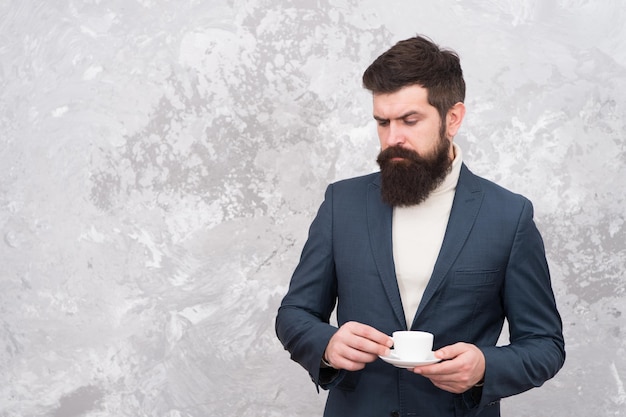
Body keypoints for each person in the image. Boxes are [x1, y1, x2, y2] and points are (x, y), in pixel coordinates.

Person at [275, 35, 565, 417]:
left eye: (410, 121)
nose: (393, 138)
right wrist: (327, 344)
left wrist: (484, 367)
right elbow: (294, 313)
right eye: (383, 122)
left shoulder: (509, 216)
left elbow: (545, 344)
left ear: (453, 118)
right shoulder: (340, 204)